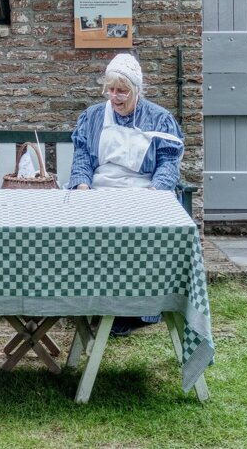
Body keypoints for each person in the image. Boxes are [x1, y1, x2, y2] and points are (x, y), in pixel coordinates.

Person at [66, 53, 185, 336]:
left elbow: (169, 163)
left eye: (122, 91)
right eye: (110, 90)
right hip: (101, 190)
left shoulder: (159, 118)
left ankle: (136, 309)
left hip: (143, 191)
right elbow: (82, 158)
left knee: (143, 237)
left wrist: (156, 191)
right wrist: (82, 187)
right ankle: (90, 303)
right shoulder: (93, 117)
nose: (115, 97)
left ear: (137, 90)